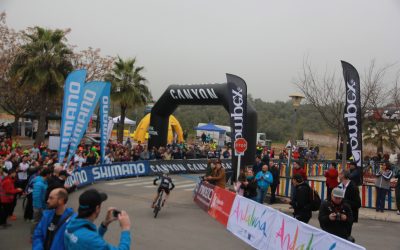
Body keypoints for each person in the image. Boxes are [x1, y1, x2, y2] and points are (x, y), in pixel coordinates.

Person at [64, 189, 131, 249]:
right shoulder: (90, 239)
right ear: (97, 208)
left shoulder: (71, 225)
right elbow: (92, 241)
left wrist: (104, 224)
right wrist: (125, 228)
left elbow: (90, 242)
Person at [31, 168, 52, 236]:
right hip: (38, 206)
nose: (51, 175)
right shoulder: (39, 183)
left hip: (43, 205)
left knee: (41, 220)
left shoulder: (44, 181)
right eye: (50, 174)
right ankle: (33, 235)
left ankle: (39, 233)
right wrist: (40, 208)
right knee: (36, 221)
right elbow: (36, 196)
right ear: (47, 175)